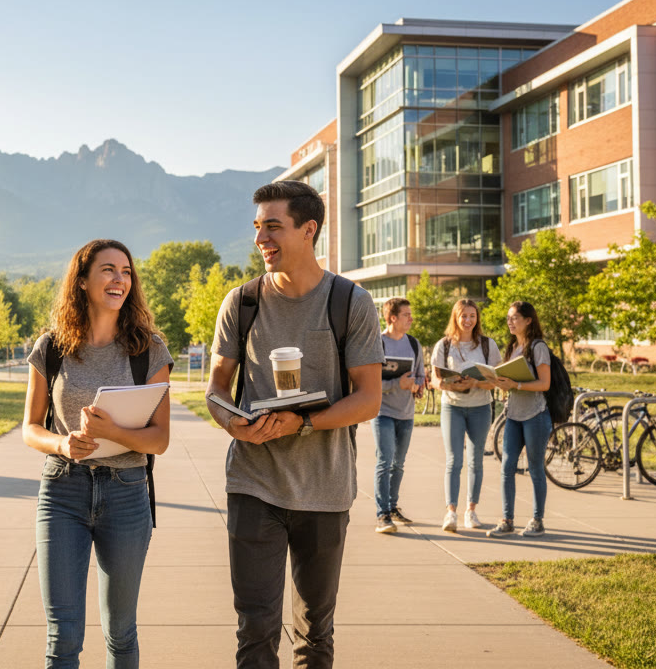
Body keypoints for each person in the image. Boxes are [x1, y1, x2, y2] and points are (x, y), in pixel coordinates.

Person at [205, 180, 383, 668]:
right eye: (258, 227)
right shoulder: (240, 303)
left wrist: (301, 424)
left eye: (273, 226)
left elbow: (369, 398)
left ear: (309, 230)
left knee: (315, 631)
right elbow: (217, 389)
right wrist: (231, 424)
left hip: (325, 488)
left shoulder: (350, 303)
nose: (261, 238)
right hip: (253, 482)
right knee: (256, 627)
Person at [21, 238, 172, 669]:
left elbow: (159, 440)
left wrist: (115, 432)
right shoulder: (51, 347)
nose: (119, 279)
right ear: (83, 281)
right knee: (62, 634)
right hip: (62, 491)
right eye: (108, 270)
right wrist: (62, 443)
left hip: (126, 495)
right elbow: (31, 428)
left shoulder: (149, 350)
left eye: (126, 272)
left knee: (121, 632)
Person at [430, 299, 499, 532]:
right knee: (454, 460)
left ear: (477, 318)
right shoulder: (444, 345)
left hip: (480, 407)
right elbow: (435, 381)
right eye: (463, 316)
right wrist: (453, 386)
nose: (468, 320)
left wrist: (477, 381)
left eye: (472, 316)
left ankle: (471, 511)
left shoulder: (488, 345)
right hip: (453, 406)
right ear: (456, 318)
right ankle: (451, 513)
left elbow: (496, 382)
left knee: (475, 460)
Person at [487, 300, 554, 539]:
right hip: (513, 415)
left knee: (536, 469)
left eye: (514, 317)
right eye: (508, 317)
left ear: (528, 320)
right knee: (506, 468)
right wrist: (499, 382)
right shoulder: (513, 347)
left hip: (535, 416)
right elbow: (512, 384)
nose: (510, 321)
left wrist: (515, 384)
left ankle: (537, 520)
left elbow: (544, 384)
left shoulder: (538, 347)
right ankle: (507, 521)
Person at [373, 297, 426, 534]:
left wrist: (419, 386)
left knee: (399, 464)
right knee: (385, 461)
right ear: (392, 317)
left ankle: (393, 506)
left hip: (407, 413)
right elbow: (370, 383)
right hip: (382, 412)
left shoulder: (414, 345)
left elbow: (421, 374)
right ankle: (382, 513)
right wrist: (397, 383)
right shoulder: (377, 344)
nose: (411, 318)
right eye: (406, 314)